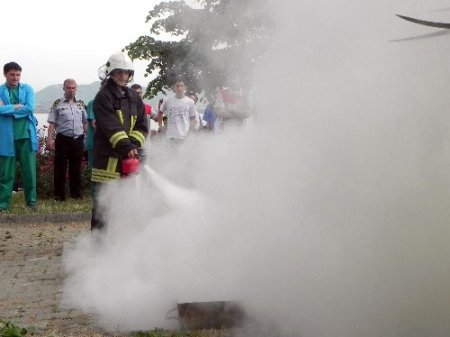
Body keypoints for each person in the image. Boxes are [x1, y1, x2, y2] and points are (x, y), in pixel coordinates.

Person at [91, 52, 148, 231]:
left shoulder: (134, 97)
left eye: (126, 73)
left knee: (127, 204)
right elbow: (110, 126)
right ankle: (98, 249)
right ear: (111, 72)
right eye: (119, 72)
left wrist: (132, 145)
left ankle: (120, 247)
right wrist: (127, 146)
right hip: (107, 161)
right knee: (103, 206)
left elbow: (142, 125)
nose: (123, 76)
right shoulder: (103, 97)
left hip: (127, 159)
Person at [0, 62, 37, 211]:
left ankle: (31, 202)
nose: (15, 77)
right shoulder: (0, 90)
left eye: (18, 74)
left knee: (29, 171)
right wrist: (15, 106)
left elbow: (29, 108)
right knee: (6, 174)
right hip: (6, 137)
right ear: (5, 74)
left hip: (26, 136)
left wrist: (5, 109)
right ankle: (3, 204)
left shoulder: (27, 89)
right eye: (12, 74)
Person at [47, 79, 87, 201]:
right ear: (64, 88)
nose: (71, 90)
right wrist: (50, 140)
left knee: (76, 168)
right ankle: (59, 195)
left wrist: (90, 138)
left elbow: (85, 122)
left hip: (78, 139)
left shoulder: (80, 104)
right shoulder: (57, 103)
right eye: (69, 88)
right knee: (60, 168)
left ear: (76, 89)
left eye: (73, 88)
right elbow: (52, 124)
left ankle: (76, 194)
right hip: (63, 139)